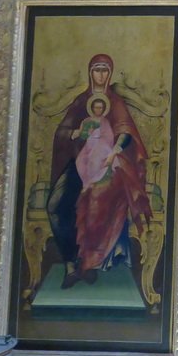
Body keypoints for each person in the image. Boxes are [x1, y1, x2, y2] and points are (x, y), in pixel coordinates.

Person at [46, 54, 152, 289]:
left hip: (109, 165)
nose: (101, 75)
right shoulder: (80, 102)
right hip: (79, 163)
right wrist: (74, 134)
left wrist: (114, 151)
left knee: (94, 200)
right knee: (54, 206)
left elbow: (126, 132)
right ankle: (71, 263)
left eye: (105, 70)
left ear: (110, 73)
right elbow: (63, 133)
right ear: (90, 73)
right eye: (97, 70)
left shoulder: (115, 103)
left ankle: (87, 263)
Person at [73, 94, 151, 274]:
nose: (98, 110)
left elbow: (118, 137)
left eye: (101, 108)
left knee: (98, 203)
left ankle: (97, 257)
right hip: (90, 155)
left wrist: (112, 152)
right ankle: (86, 257)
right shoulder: (87, 120)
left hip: (106, 158)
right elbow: (81, 136)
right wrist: (78, 133)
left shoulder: (110, 119)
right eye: (96, 107)